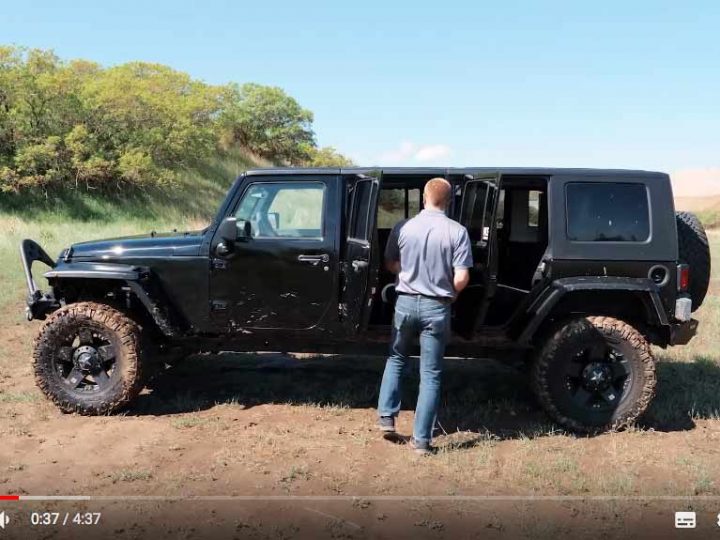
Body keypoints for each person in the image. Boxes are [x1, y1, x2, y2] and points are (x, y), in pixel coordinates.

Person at [377, 177, 473, 455]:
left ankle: (386, 418)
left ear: (424, 197)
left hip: (405, 303)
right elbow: (462, 276)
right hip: (436, 307)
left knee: (396, 358)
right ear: (449, 200)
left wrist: (408, 275)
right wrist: (450, 293)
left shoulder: (402, 226)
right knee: (430, 374)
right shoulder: (457, 232)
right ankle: (421, 442)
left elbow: (391, 263)